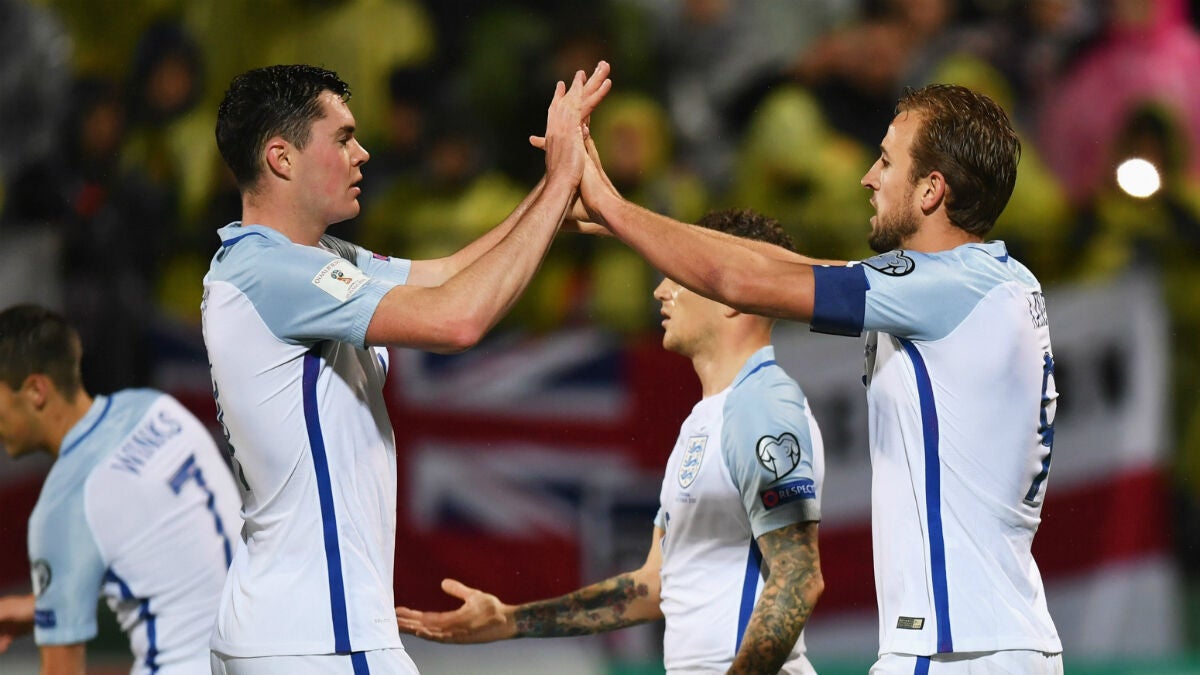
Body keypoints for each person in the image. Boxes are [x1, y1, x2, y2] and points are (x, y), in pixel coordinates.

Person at [575, 83, 1063, 673]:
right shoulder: (988, 281)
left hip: (952, 650)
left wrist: (613, 206)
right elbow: (788, 266)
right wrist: (632, 221)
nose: (867, 177)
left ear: (931, 190)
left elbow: (742, 284)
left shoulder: (941, 289)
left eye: (886, 161)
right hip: (1003, 640)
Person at [202, 62, 609, 674]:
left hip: (289, 628)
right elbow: (457, 320)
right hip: (321, 636)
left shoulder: (304, 259)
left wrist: (554, 191)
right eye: (343, 138)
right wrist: (559, 185)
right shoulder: (274, 273)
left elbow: (447, 275)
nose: (362, 153)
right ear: (281, 158)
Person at [395, 208, 825, 674]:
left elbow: (798, 578)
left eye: (681, 274)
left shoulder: (762, 405)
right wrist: (511, 620)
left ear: (732, 294)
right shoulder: (706, 419)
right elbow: (654, 586)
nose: (661, 290)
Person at [0, 304, 241, 674]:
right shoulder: (157, 409)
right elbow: (161, 554)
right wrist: (44, 605)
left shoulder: (63, 507)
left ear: (35, 390)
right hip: (261, 649)